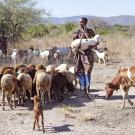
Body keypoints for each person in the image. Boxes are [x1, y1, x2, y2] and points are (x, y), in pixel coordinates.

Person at [72, 17, 98, 94]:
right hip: (79, 54)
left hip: (88, 54)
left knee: (88, 71)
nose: (81, 24)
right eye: (80, 22)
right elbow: (74, 42)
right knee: (80, 72)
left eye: (82, 22)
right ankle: (82, 88)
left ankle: (87, 88)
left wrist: (91, 46)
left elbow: (96, 42)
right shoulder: (77, 31)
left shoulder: (90, 31)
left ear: (86, 23)